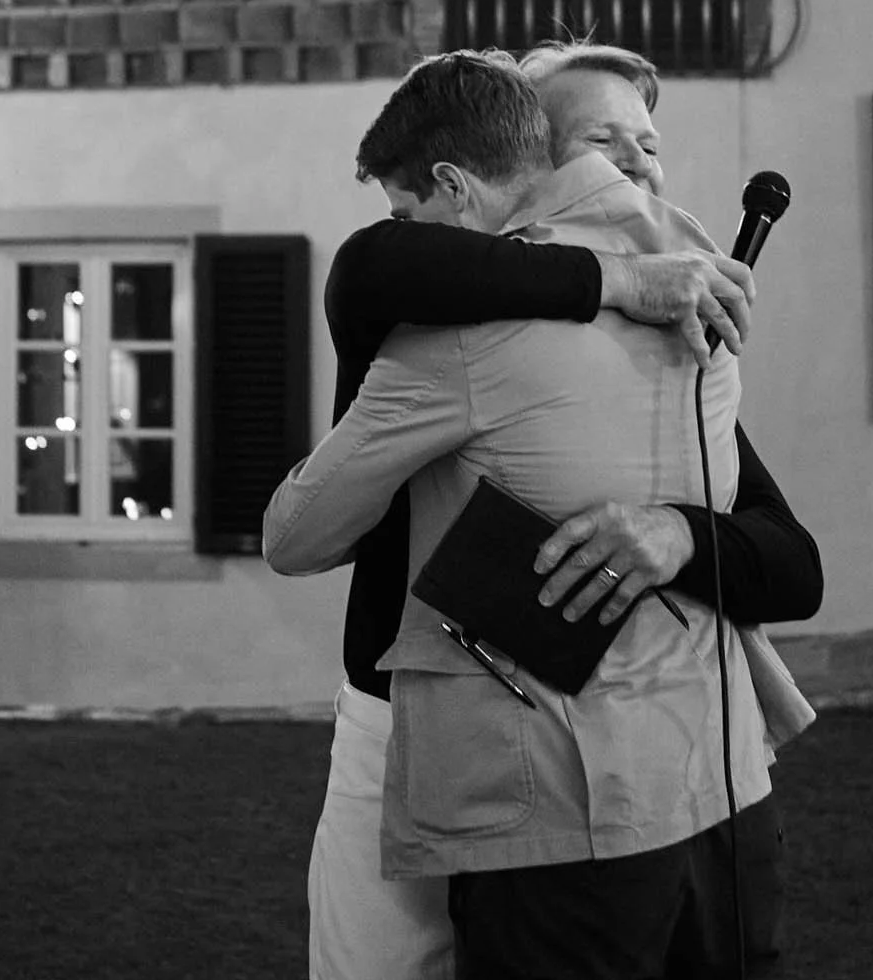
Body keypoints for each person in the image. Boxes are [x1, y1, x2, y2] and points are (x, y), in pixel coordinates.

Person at [268, 51, 816, 980]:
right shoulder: (434, 293)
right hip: (415, 708)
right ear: (543, 161)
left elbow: (791, 562)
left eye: (649, 143)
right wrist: (614, 279)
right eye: (603, 143)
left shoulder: (686, 329)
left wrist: (681, 532)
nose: (635, 167)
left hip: (606, 772)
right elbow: (375, 260)